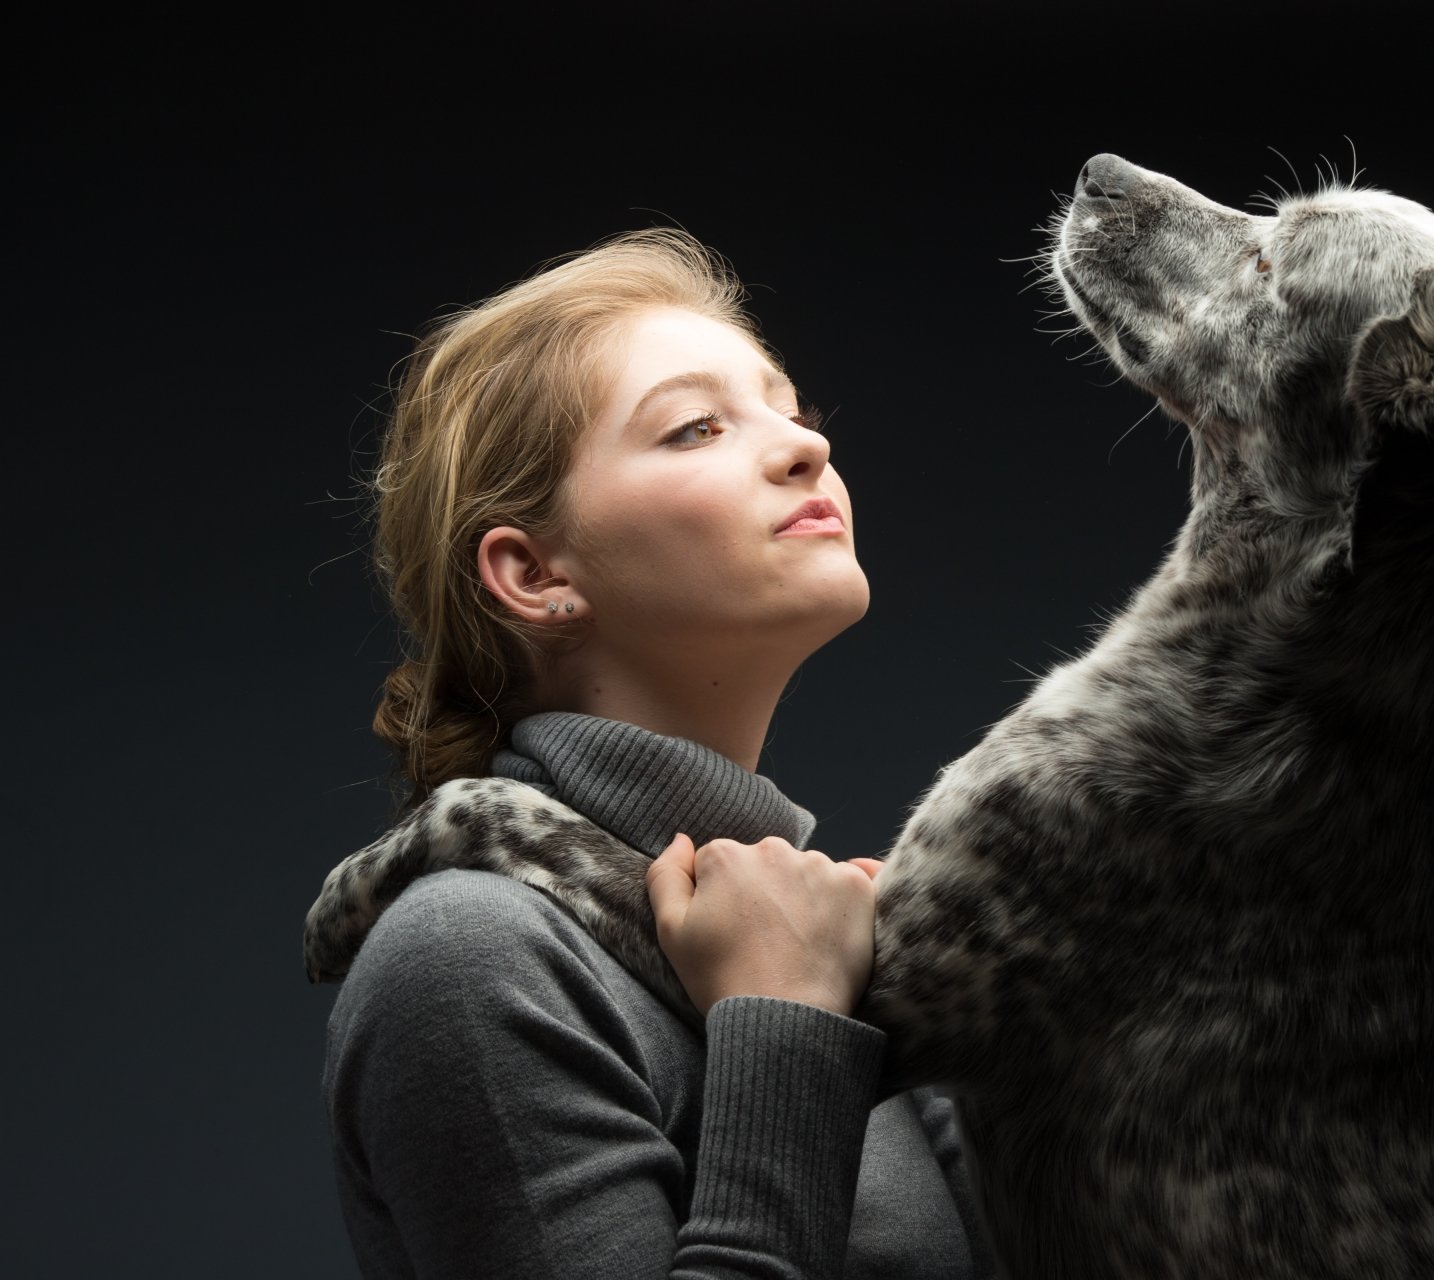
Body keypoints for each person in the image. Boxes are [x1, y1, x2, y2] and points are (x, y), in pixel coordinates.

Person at [314, 229, 998, 1278]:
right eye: (695, 428)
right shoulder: (468, 956)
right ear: (536, 575)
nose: (805, 449)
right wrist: (785, 1021)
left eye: (793, 411)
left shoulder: (832, 938)